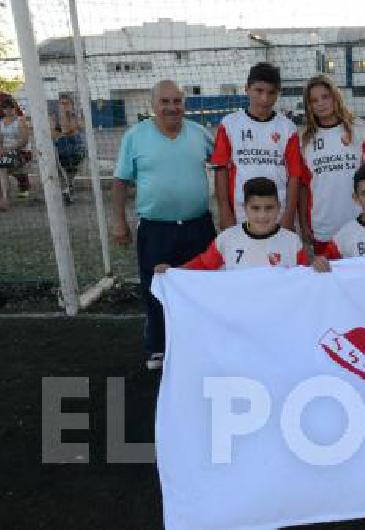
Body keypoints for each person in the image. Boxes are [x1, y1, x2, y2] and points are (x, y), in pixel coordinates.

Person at [112, 80, 217, 370]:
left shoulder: (199, 134)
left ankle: (200, 344)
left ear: (184, 103)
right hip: (156, 229)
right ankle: (158, 346)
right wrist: (119, 222)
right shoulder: (135, 137)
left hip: (199, 226)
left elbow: (224, 166)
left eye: (177, 101)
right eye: (165, 101)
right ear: (153, 105)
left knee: (201, 287)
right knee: (156, 289)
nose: (172, 107)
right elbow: (120, 181)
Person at [297, 75, 365, 256]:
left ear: (335, 97)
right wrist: (305, 225)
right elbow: (304, 187)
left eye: (325, 96)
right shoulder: (305, 141)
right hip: (323, 226)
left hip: (359, 223)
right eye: (314, 100)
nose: (321, 103)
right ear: (309, 106)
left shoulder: (360, 130)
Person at [211, 62, 304, 231]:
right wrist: (225, 212)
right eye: (259, 91)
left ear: (278, 93)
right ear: (247, 88)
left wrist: (289, 215)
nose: (265, 99)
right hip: (241, 213)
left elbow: (295, 176)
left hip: (278, 212)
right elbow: (220, 169)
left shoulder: (287, 128)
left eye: (271, 93)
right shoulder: (230, 124)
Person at [155, 177, 307, 272]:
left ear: (279, 207)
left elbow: (306, 279)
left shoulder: (292, 242)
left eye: (269, 208)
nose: (262, 215)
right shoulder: (227, 239)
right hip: (239, 319)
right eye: (255, 208)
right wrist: (173, 272)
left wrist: (318, 268)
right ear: (244, 208)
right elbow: (203, 264)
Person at [50, 94, 84, 202]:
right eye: (62, 104)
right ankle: (67, 188)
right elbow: (53, 134)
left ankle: (68, 187)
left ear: (71, 105)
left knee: (72, 157)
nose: (64, 106)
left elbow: (72, 129)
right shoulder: (54, 118)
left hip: (74, 147)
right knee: (55, 161)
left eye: (66, 103)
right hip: (60, 147)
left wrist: (68, 115)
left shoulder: (75, 116)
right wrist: (63, 132)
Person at [0, 97, 31, 211]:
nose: (8, 110)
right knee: (2, 165)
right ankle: (4, 198)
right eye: (5, 107)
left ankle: (5, 199)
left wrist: (7, 149)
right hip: (5, 153)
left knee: (2, 166)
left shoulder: (21, 121)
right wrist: (2, 149)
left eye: (11, 107)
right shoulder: (1, 122)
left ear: (15, 108)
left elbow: (24, 141)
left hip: (21, 152)